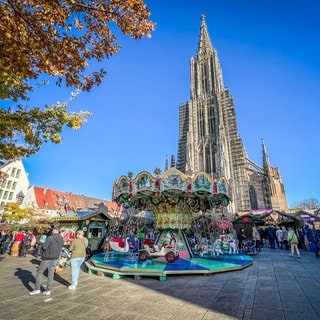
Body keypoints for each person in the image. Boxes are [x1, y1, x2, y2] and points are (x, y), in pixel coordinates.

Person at [29, 226, 64, 296]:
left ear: (54, 230)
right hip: (55, 258)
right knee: (51, 274)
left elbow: (44, 246)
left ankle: (37, 289)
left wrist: (41, 243)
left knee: (39, 272)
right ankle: (48, 290)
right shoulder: (61, 239)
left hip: (47, 257)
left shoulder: (50, 238)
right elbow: (61, 246)